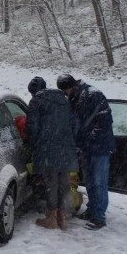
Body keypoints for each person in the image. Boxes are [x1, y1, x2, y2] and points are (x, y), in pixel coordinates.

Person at [57, 74, 115, 230]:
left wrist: (91, 138)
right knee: (89, 181)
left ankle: (99, 216)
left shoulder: (93, 94)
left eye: (65, 90)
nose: (65, 94)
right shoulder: (74, 97)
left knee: (99, 182)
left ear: (72, 86)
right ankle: (91, 210)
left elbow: (104, 121)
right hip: (85, 148)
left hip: (99, 147)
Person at [26, 77, 78, 231]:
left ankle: (51, 220)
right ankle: (62, 218)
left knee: (51, 184)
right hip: (66, 147)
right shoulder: (63, 100)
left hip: (47, 148)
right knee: (63, 182)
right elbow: (74, 123)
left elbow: (32, 127)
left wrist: (33, 142)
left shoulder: (36, 101)